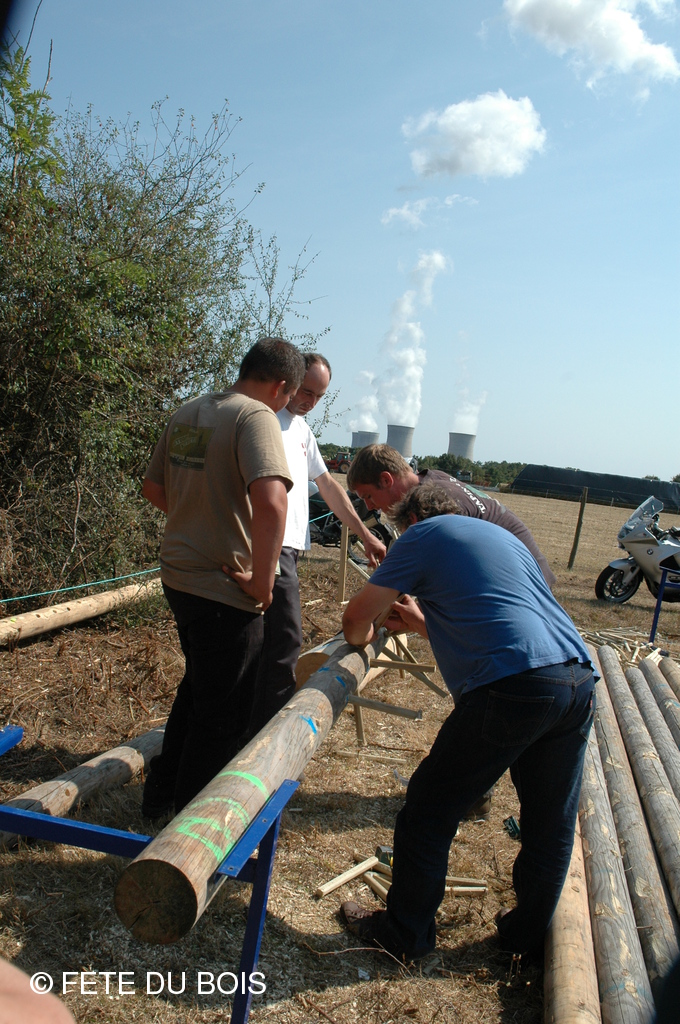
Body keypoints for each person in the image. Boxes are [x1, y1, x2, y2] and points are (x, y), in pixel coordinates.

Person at [339, 483, 595, 962]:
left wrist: (363, 636)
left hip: (514, 686)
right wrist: (421, 623)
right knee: (549, 822)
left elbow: (356, 617)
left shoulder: (421, 535)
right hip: (576, 679)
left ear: (411, 521)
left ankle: (404, 936)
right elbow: (498, 616)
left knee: (428, 810)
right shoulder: (503, 538)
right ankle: (525, 941)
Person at [140, 337, 305, 816]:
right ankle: (192, 828)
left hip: (180, 576)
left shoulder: (189, 412)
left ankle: (161, 795)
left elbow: (153, 488)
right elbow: (273, 503)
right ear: (280, 387)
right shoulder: (255, 417)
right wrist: (262, 581)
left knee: (198, 690)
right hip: (225, 588)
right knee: (224, 716)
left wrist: (199, 522)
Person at [244, 354, 387, 738]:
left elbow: (328, 487)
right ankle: (266, 737)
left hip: (288, 550)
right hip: (264, 546)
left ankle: (253, 731)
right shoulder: (262, 420)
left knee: (270, 644)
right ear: (289, 381)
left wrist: (364, 534)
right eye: (306, 391)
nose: (310, 401)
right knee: (283, 643)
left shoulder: (302, 430)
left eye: (320, 396)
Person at [347, 444, 556, 588]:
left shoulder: (432, 507)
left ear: (386, 480)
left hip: (523, 581)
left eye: (368, 496)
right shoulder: (432, 479)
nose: (370, 506)